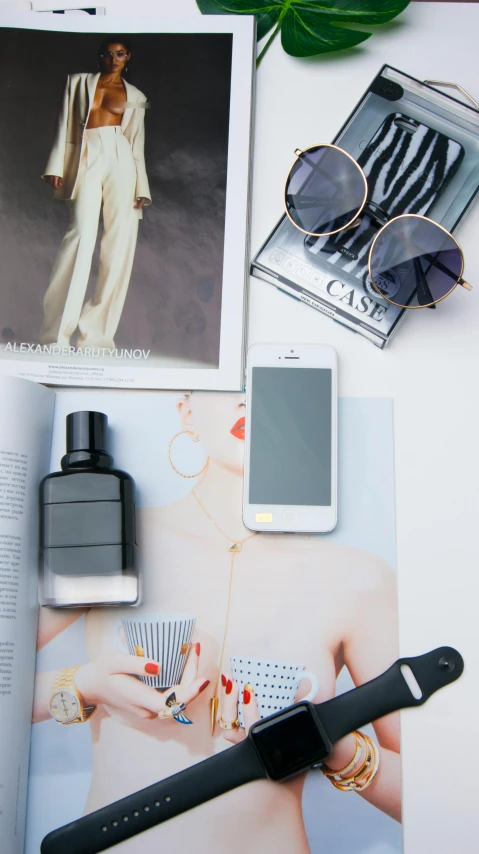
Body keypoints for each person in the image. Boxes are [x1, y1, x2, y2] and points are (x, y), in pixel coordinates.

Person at [35, 392, 400, 853]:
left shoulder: (357, 579)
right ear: (187, 410)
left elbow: (430, 791)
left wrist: (325, 743)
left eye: (267, 388)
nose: (249, 404)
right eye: (232, 388)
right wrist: (84, 684)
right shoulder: (116, 535)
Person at [39, 37, 151, 349]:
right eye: (108, 54)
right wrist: (56, 166)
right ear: (100, 57)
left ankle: (97, 337)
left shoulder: (137, 96)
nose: (113, 59)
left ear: (128, 56)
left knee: (119, 245)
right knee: (80, 236)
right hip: (85, 154)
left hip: (122, 158)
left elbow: (135, 142)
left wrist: (141, 186)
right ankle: (55, 335)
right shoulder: (77, 83)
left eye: (120, 54)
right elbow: (64, 124)